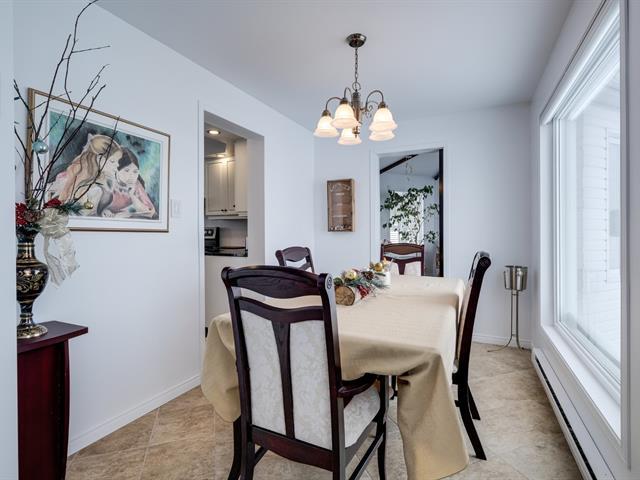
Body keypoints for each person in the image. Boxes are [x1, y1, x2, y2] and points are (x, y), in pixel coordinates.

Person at [50, 133, 123, 206]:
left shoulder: (105, 181)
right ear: (98, 159)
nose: (117, 165)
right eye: (112, 161)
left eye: (118, 161)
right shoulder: (94, 189)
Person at [101, 148, 157, 219]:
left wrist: (132, 196)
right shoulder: (108, 183)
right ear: (116, 170)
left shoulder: (136, 184)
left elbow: (150, 212)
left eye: (135, 171)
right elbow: (97, 208)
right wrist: (104, 211)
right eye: (126, 170)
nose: (132, 176)